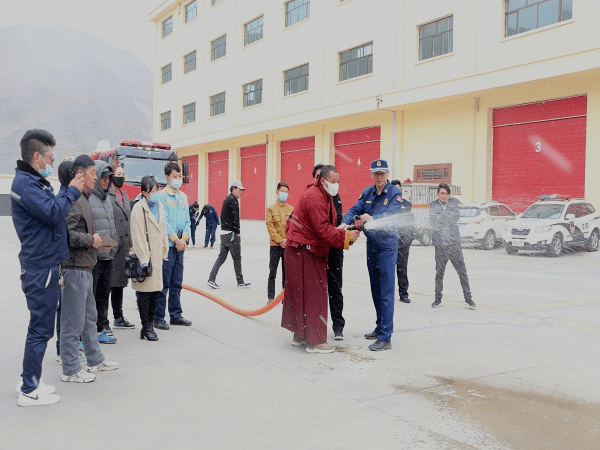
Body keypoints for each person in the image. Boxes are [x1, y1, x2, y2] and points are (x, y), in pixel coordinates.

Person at [12, 129, 84, 406]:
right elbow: (54, 212)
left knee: (39, 326)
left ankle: (29, 377)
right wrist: (73, 188)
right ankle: (29, 390)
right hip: (41, 267)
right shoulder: (26, 185)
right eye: (49, 158)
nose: (51, 164)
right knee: (41, 329)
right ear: (37, 156)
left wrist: (67, 190)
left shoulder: (31, 181)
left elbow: (52, 209)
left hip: (44, 263)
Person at [281, 165, 360, 353]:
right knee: (315, 295)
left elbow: (326, 225)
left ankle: (300, 335)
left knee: (301, 296)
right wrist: (346, 238)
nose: (336, 185)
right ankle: (315, 342)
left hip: (301, 250)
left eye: (338, 181)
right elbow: (323, 229)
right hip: (304, 251)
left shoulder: (323, 195)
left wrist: (341, 230)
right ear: (323, 180)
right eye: (333, 182)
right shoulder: (316, 196)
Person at [60, 154, 119, 384]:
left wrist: (97, 241)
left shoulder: (85, 197)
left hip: (85, 266)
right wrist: (90, 240)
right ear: (79, 174)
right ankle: (70, 369)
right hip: (74, 267)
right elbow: (66, 235)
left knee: (89, 318)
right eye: (93, 173)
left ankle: (94, 359)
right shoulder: (72, 200)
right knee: (72, 322)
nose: (96, 178)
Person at [341, 159, 403, 351]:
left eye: (382, 173)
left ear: (387, 174)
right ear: (372, 174)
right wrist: (345, 222)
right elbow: (354, 209)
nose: (379, 176)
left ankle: (386, 337)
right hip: (372, 246)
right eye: (375, 173)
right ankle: (379, 326)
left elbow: (392, 215)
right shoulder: (367, 192)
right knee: (375, 290)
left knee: (386, 291)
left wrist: (374, 218)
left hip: (387, 247)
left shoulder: (395, 193)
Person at [153, 162, 192, 330]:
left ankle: (176, 315)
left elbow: (187, 221)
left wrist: (184, 238)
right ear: (167, 178)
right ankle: (158, 316)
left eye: (180, 176)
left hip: (180, 246)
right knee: (164, 283)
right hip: (169, 246)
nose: (178, 179)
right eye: (175, 176)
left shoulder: (183, 197)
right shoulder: (162, 196)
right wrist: (175, 240)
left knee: (177, 282)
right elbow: (164, 222)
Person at [131, 176, 169, 341]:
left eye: (156, 190)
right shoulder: (138, 208)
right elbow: (137, 235)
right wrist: (144, 259)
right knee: (145, 295)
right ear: (144, 192)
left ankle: (149, 326)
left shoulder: (159, 206)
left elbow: (163, 229)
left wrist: (164, 249)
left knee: (155, 293)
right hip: (145, 258)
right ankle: (146, 327)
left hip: (158, 257)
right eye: (151, 190)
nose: (155, 193)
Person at [313, 164, 346, 340]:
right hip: (317, 250)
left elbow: (338, 222)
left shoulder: (335, 197)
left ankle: (338, 326)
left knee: (335, 288)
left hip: (334, 249)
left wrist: (344, 237)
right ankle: (316, 326)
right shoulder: (313, 197)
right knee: (316, 290)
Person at [429, 183, 476, 309]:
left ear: (449, 195)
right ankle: (437, 299)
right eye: (442, 193)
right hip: (440, 246)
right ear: (438, 194)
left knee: (462, 272)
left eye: (446, 193)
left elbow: (454, 218)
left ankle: (468, 298)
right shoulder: (433, 205)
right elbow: (433, 220)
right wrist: (445, 217)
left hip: (454, 244)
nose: (444, 196)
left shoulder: (454, 203)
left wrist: (442, 217)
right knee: (439, 273)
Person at [89, 161, 119, 343]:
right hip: (94, 258)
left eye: (109, 178)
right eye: (103, 178)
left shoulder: (109, 198)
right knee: (90, 297)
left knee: (103, 295)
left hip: (108, 255)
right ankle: (89, 333)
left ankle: (101, 329)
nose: (106, 181)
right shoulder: (88, 198)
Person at [207, 181, 251, 289]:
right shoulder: (233, 200)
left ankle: (211, 279)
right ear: (234, 189)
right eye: (239, 190)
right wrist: (238, 232)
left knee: (221, 258)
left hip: (224, 233)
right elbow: (235, 218)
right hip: (231, 234)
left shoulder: (227, 199)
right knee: (237, 258)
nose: (241, 192)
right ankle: (240, 281)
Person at [109, 166, 135, 329]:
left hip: (124, 246)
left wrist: (130, 242)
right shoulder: (107, 195)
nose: (121, 177)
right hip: (111, 246)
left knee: (119, 283)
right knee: (108, 285)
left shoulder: (124, 195)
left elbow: (129, 220)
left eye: (123, 174)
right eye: (118, 174)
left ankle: (118, 317)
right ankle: (102, 320)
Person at [265, 182, 293, 304]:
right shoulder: (271, 209)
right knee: (273, 272)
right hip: (275, 246)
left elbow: (293, 227)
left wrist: (287, 241)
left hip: (288, 246)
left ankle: (284, 297)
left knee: (286, 273)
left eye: (286, 192)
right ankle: (270, 297)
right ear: (277, 192)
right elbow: (270, 226)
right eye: (282, 191)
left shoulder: (291, 209)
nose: (284, 194)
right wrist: (280, 240)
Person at [391, 180, 415, 304]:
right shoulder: (387, 204)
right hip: (390, 243)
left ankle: (403, 294)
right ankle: (386, 294)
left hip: (403, 243)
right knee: (387, 270)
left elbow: (411, 223)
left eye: (398, 189)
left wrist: (409, 239)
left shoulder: (407, 205)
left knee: (402, 269)